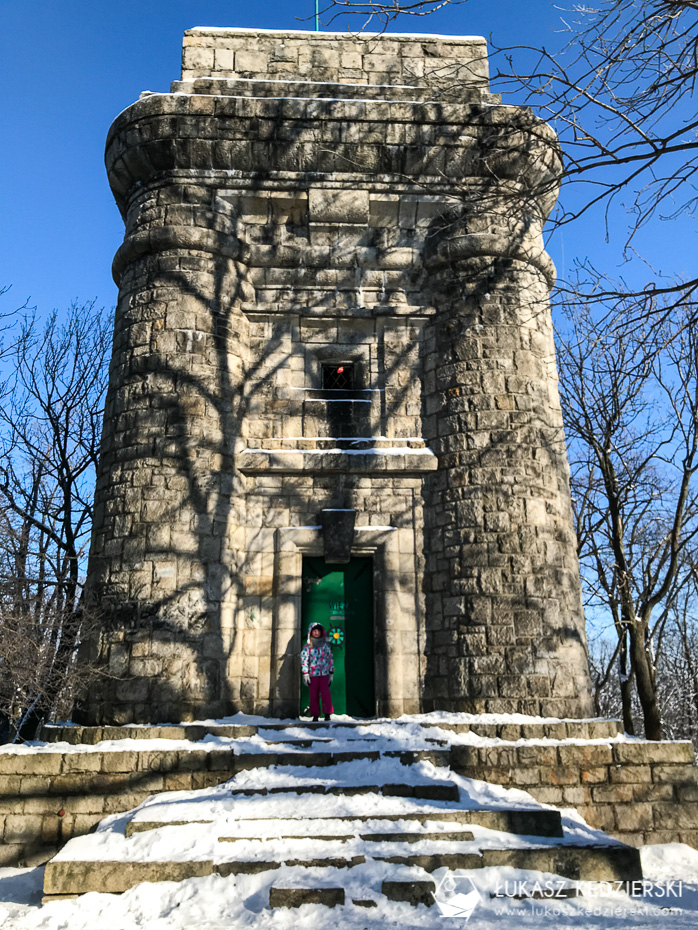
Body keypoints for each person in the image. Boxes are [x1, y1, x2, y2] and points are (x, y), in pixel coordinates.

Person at [300, 622, 334, 721]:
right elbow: (304, 659)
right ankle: (315, 715)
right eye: (314, 631)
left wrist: (331, 672)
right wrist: (305, 673)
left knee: (325, 694)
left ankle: (327, 713)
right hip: (313, 674)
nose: (316, 633)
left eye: (318, 631)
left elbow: (330, 659)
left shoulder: (325, 646)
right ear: (310, 632)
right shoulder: (308, 647)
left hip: (324, 674)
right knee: (313, 695)